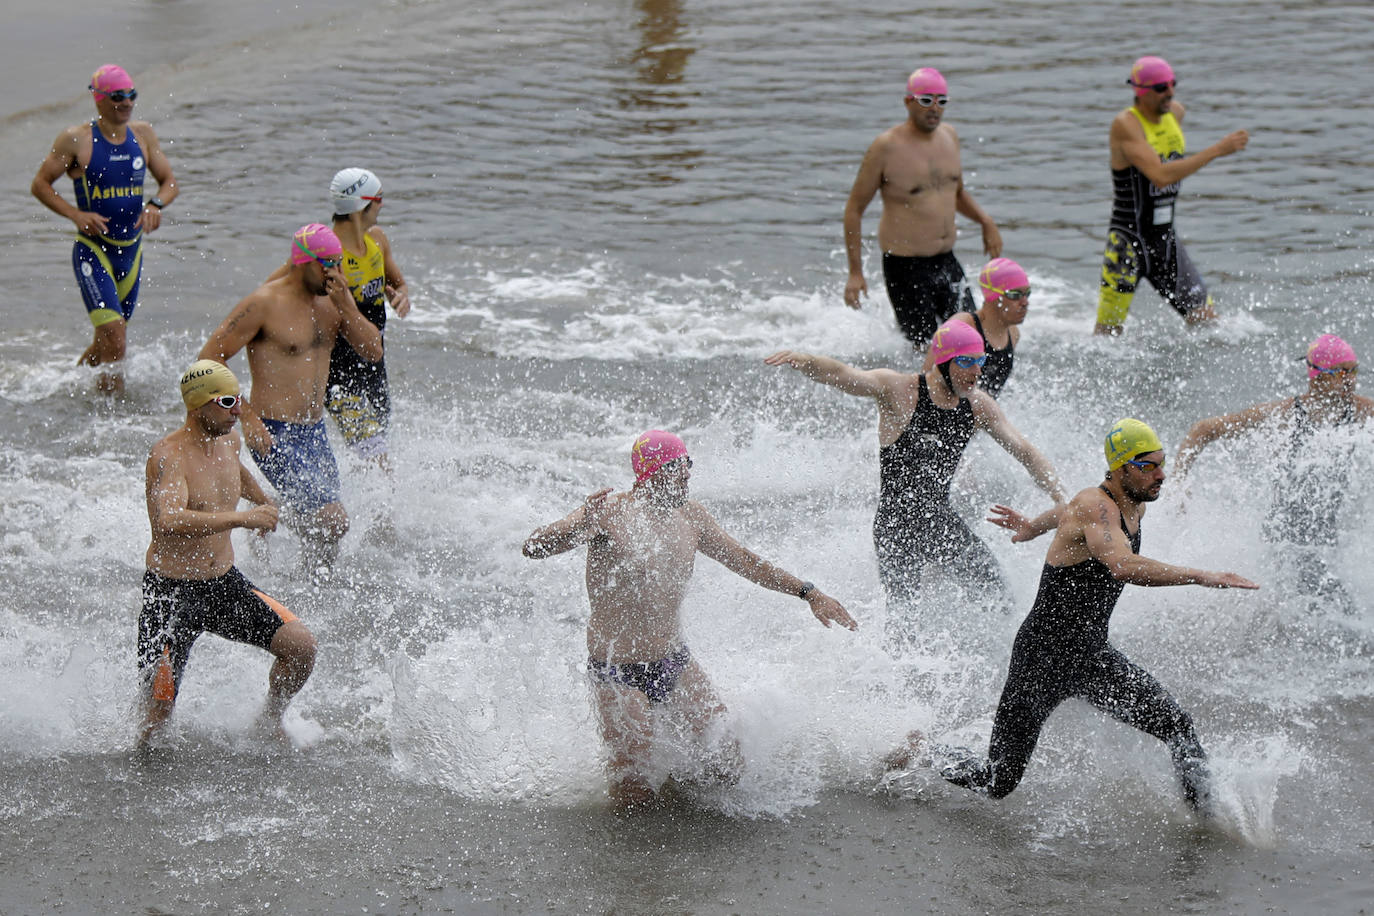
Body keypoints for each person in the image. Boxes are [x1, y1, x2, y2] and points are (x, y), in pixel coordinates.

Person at [931, 419, 1258, 815]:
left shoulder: (1131, 502)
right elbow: (1121, 564)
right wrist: (1201, 576)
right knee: (997, 780)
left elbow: (1066, 509)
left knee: (1177, 726)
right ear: (1122, 468)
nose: (1161, 475)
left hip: (1091, 658)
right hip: (1041, 659)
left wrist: (1032, 526)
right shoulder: (1097, 506)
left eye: (1162, 463)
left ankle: (1211, 823)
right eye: (1149, 466)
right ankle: (922, 751)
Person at [522, 430, 857, 808]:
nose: (687, 475)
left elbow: (746, 561)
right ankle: (625, 859)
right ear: (651, 472)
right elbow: (533, 548)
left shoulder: (691, 517)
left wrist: (808, 593)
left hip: (673, 661)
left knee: (726, 763)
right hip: (617, 670)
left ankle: (677, 793)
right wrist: (577, 521)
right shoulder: (608, 513)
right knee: (632, 788)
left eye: (688, 465)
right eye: (678, 467)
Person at [765, 320, 1065, 635]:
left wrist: (1060, 499)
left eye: (981, 361)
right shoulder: (899, 389)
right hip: (896, 526)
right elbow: (844, 375)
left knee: (996, 593)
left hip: (940, 521)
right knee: (903, 620)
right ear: (943, 360)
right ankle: (894, 677)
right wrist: (806, 361)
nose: (977, 371)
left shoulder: (978, 405)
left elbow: (1026, 452)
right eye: (967, 361)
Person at [139, 361, 316, 746]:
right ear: (198, 405)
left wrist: (262, 500)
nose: (238, 409)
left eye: (239, 398)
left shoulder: (228, 439)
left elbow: (232, 470)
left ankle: (269, 722)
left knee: (301, 647)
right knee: (156, 720)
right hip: (171, 596)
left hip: (222, 586)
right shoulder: (168, 456)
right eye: (227, 401)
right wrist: (242, 517)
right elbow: (169, 519)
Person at [199, 224, 383, 573]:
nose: (336, 273)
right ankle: (262, 515)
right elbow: (209, 359)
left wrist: (348, 308)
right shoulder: (264, 303)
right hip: (272, 432)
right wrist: (247, 417)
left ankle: (312, 593)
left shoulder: (334, 303)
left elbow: (373, 351)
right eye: (328, 264)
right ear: (304, 262)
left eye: (339, 263)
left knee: (327, 540)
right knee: (332, 520)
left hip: (315, 432)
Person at [1177, 333, 1371, 609]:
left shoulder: (1363, 411)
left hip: (1327, 538)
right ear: (1319, 375)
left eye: (1354, 371)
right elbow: (1204, 430)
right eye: (1342, 372)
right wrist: (1178, 482)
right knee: (1333, 610)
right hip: (1284, 540)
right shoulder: (1286, 414)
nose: (1351, 379)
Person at [31, 64, 179, 394]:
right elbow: (40, 184)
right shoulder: (75, 139)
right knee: (116, 337)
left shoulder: (143, 135)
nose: (126, 103)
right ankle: (110, 415)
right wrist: (74, 214)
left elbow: (169, 182)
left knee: (109, 339)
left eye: (131, 95)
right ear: (98, 99)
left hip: (132, 252)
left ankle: (71, 386)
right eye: (117, 97)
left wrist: (155, 204)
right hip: (93, 250)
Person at [843, 67, 1001, 347]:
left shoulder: (950, 137)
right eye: (926, 100)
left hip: (946, 260)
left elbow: (957, 192)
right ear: (908, 101)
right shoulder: (886, 147)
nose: (935, 108)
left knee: (972, 337)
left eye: (942, 101)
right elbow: (854, 209)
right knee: (924, 350)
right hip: (905, 267)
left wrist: (985, 222)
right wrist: (855, 273)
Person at [1094, 56, 1249, 336]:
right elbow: (1161, 175)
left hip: (1165, 241)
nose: (1171, 93)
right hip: (1128, 244)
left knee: (1209, 325)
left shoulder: (1174, 113)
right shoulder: (1126, 125)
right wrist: (1217, 150)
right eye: (1162, 88)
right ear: (1141, 91)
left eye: (1173, 85)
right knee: (1108, 335)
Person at [268, 169, 411, 464]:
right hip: (337, 374)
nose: (383, 205)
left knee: (374, 445)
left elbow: (398, 282)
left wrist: (400, 296)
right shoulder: (324, 251)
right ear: (362, 206)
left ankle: (351, 503)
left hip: (373, 364)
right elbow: (270, 290)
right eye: (379, 199)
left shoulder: (377, 240)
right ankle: (383, 509)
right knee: (376, 457)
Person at [920, 257, 1030, 397]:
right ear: (993, 295)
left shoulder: (1013, 334)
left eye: (1027, 294)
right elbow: (925, 381)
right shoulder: (961, 326)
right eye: (1015, 295)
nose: (1025, 302)